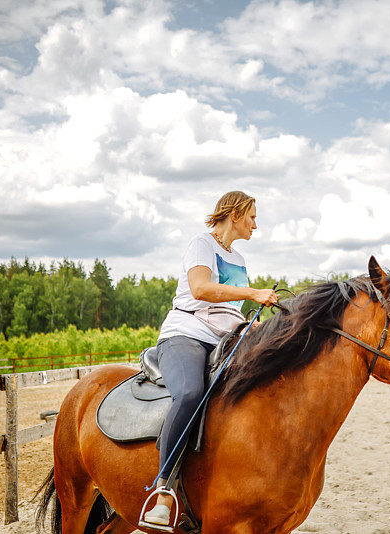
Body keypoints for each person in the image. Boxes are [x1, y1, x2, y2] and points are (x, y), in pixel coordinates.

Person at [143, 191, 278, 526]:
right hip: (185, 335)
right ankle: (163, 493)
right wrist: (252, 293)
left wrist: (250, 322)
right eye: (252, 217)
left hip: (224, 339)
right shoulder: (201, 243)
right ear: (235, 215)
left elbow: (227, 309)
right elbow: (201, 289)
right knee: (189, 393)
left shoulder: (240, 259)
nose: (255, 225)